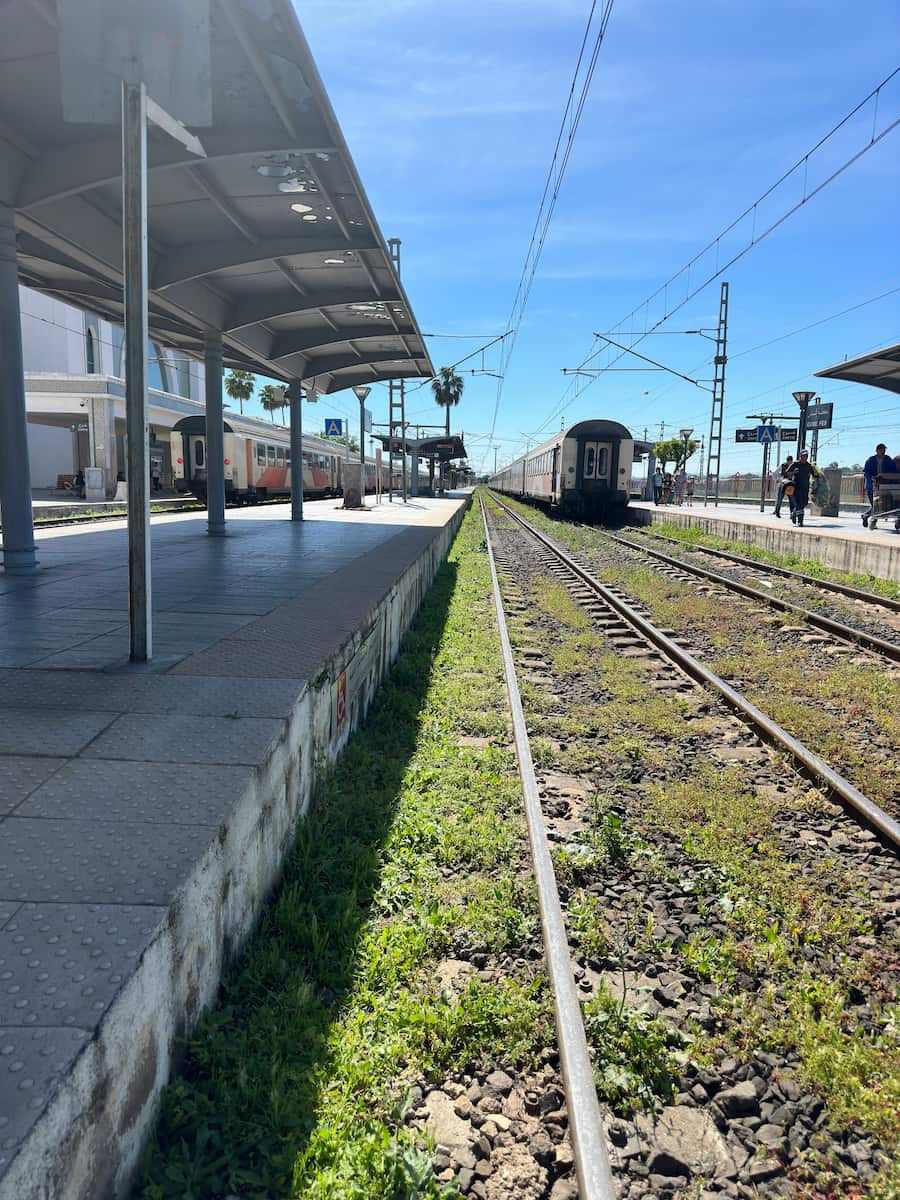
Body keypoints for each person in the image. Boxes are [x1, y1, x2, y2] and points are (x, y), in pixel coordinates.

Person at [861, 443, 898, 527]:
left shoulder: (888, 459)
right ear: (877, 450)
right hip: (871, 486)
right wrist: (872, 478)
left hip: (884, 485)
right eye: (882, 450)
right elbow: (866, 472)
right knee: (875, 505)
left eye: (884, 450)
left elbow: (894, 470)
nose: (883, 451)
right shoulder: (870, 460)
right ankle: (868, 518)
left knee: (878, 505)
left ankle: (866, 516)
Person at [784, 450, 821, 527]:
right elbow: (786, 473)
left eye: (806, 456)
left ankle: (794, 512)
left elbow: (814, 475)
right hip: (796, 487)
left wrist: (819, 475)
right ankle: (800, 521)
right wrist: (793, 472)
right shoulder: (795, 464)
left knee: (804, 503)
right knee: (800, 503)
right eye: (803, 456)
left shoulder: (808, 465)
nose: (805, 457)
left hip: (805, 487)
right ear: (800, 456)